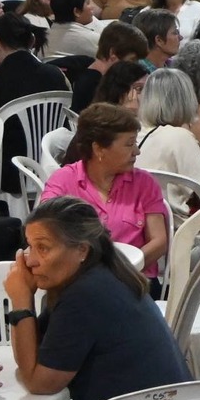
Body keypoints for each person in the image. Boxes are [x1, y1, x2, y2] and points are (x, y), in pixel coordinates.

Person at [0, 197, 192, 400]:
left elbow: (39, 381)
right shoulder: (104, 273)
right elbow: (40, 353)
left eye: (43, 248)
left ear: (81, 250)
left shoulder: (83, 295)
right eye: (29, 247)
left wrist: (21, 301)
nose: (30, 260)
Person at [41, 103, 169, 279]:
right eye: (129, 144)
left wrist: (120, 271)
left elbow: (159, 242)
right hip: (78, 279)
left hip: (133, 279)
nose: (137, 151)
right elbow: (45, 229)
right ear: (99, 149)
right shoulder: (63, 182)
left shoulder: (144, 184)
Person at [135, 67, 200, 210]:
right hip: (174, 220)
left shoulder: (134, 131)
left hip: (139, 215)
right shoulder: (179, 137)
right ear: (186, 100)